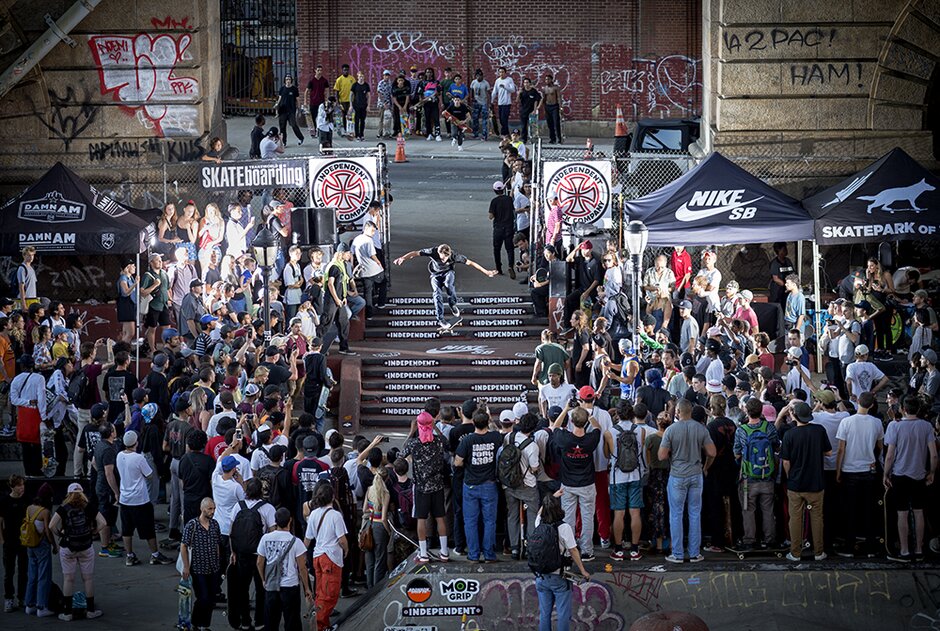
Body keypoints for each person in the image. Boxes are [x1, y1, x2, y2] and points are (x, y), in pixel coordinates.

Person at [658, 398, 716, 563]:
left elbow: (661, 455)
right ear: (690, 411)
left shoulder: (671, 430)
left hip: (677, 475)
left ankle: (677, 553)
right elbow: (712, 452)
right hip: (696, 474)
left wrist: (672, 455)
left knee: (676, 515)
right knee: (694, 513)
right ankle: (694, 553)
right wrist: (705, 467)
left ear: (677, 412)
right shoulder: (701, 429)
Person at [883, 395, 938, 561]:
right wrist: (932, 472)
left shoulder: (894, 426)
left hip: (900, 475)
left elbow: (890, 455)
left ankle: (905, 550)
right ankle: (919, 549)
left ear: (903, 409)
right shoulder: (927, 426)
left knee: (902, 514)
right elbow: (934, 455)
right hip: (919, 475)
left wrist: (885, 473)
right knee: (919, 512)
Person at [394, 244, 498, 329]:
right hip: (435, 274)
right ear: (438, 253)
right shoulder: (432, 251)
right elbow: (415, 253)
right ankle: (441, 319)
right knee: (437, 294)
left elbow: (471, 263)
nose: (443, 260)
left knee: (448, 284)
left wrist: (486, 272)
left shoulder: (455, 256)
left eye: (445, 258)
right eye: (442, 258)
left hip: (448, 272)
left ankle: (452, 305)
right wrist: (403, 258)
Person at [548, 405, 603, 562]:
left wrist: (565, 409)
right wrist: (589, 414)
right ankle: (587, 551)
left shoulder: (564, 438)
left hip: (568, 484)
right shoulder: (591, 439)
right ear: (585, 422)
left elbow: (555, 426)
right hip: (587, 484)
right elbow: (598, 427)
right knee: (587, 518)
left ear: (571, 421)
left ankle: (567, 550)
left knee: (568, 519)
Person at [780, 401, 831, 561]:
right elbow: (828, 452)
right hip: (816, 483)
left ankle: (795, 553)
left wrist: (790, 476)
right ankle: (819, 552)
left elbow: (786, 462)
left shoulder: (790, 434)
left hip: (796, 484)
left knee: (795, 518)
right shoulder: (819, 430)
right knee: (817, 518)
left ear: (794, 416)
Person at [835, 391, 884, 558]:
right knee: (869, 510)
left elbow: (841, 449)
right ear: (871, 405)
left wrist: (838, 471)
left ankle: (849, 545)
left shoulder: (846, 422)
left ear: (858, 403)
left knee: (850, 509)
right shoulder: (877, 423)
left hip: (849, 470)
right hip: (868, 471)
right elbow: (880, 446)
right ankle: (870, 546)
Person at [532, 494, 590, 631]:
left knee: (544, 614)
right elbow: (574, 551)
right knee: (563, 614)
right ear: (559, 509)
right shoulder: (564, 528)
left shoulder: (539, 523)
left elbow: (540, 513)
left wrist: (550, 497)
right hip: (559, 577)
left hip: (541, 576)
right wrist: (583, 570)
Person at [47, 482, 103, 621]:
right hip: (86, 546)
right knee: (88, 579)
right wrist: (94, 532)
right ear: (82, 493)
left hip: (68, 547)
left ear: (69, 493)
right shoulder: (88, 507)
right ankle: (90, 611)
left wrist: (60, 534)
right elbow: (103, 522)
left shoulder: (64, 508)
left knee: (68, 579)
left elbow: (51, 525)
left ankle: (67, 613)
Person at [117, 431, 172, 566]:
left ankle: (129, 555)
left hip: (125, 498)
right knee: (148, 529)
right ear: (136, 442)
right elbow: (149, 475)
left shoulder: (119, 456)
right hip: (140, 499)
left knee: (127, 529)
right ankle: (155, 554)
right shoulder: (139, 458)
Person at [454, 410, 503, 563]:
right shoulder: (495, 437)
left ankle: (473, 555)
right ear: (488, 422)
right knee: (490, 521)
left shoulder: (467, 440)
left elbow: (458, 462)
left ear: (473, 423)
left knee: (470, 521)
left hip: (470, 486)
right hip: (490, 485)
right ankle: (489, 554)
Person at [401, 412, 449, 563]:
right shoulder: (439, 441)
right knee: (440, 517)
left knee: (421, 519)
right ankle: (444, 551)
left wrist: (411, 431)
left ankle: (423, 553)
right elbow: (447, 443)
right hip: (438, 485)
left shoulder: (414, 444)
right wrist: (435, 427)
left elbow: (402, 453)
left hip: (420, 487)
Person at [733, 397, 779, 551]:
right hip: (767, 476)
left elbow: (737, 454)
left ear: (747, 411)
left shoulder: (741, 430)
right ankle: (770, 540)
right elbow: (775, 447)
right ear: (761, 411)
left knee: (748, 510)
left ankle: (749, 540)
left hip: (747, 479)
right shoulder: (769, 428)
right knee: (768, 509)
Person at [260, 506, 312, 631]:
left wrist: (263, 579)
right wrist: (307, 588)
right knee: (292, 620)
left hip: (271, 585)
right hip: (290, 586)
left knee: (271, 621)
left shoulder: (265, 538)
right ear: (290, 520)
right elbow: (302, 568)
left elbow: (259, 562)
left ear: (275, 521)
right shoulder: (296, 542)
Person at [608, 402, 647, 561]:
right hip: (636, 475)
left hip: (617, 477)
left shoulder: (609, 432)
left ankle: (618, 550)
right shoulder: (641, 431)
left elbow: (607, 455)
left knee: (619, 513)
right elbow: (640, 451)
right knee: (635, 512)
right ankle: (634, 549)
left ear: (617, 413)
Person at [303, 486, 344, 630]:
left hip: (318, 556)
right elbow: (342, 539)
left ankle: (320, 620)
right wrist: (347, 550)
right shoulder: (335, 515)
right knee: (330, 595)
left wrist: (301, 557)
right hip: (331, 558)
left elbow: (307, 539)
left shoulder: (313, 514)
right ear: (332, 497)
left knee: (321, 592)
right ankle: (320, 625)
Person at [502, 412, 541, 559]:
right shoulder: (532, 446)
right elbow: (534, 468)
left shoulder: (508, 437)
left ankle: (514, 548)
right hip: (527, 485)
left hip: (509, 484)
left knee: (512, 515)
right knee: (532, 515)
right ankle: (530, 547)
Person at [180, 497, 222, 631]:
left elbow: (217, 544)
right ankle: (196, 623)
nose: (213, 511)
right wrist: (186, 567)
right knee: (203, 597)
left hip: (213, 568)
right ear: (202, 509)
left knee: (210, 598)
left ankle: (204, 625)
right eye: (210, 509)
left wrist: (218, 560)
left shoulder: (215, 524)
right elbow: (183, 546)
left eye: (214, 508)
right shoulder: (192, 525)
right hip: (198, 569)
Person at [22, 483, 55, 617]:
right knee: (43, 576)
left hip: (30, 544)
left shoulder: (29, 508)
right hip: (42, 545)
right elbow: (48, 530)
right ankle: (42, 606)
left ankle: (29, 604)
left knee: (32, 575)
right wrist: (54, 545)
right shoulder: (45, 511)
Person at [321, 243, 356, 356]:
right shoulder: (334, 266)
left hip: (340, 300)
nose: (349, 255)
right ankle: (319, 348)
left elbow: (344, 283)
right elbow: (331, 285)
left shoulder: (343, 265)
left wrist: (344, 297)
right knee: (326, 323)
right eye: (348, 253)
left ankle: (344, 347)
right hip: (332, 300)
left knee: (344, 323)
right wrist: (336, 299)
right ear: (342, 253)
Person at [1, 475, 27, 613]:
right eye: (19, 485)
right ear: (12, 487)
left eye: (23, 485)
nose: (22, 487)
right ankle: (9, 599)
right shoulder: (5, 501)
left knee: (24, 570)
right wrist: (2, 539)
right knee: (9, 572)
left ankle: (22, 597)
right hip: (9, 541)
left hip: (23, 541)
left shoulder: (26, 500)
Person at [351, 222, 386, 319]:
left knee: (368, 292)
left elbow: (351, 253)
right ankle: (381, 303)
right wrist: (379, 263)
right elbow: (372, 255)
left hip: (364, 271)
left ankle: (369, 315)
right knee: (383, 283)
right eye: (372, 231)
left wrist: (352, 265)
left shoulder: (357, 239)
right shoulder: (369, 240)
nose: (373, 233)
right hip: (374, 269)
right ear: (366, 229)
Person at [141, 254, 170, 354]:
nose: (160, 262)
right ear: (151, 262)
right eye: (157, 260)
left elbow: (167, 288)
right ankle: (152, 349)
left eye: (160, 260)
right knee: (152, 328)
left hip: (164, 304)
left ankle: (167, 347)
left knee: (167, 327)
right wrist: (155, 285)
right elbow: (142, 292)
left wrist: (170, 299)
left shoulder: (164, 274)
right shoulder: (148, 275)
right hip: (153, 305)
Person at [489, 181, 517, 278]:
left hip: (498, 228)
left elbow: (491, 216)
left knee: (497, 249)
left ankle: (498, 268)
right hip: (509, 227)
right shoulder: (509, 199)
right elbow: (514, 210)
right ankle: (510, 265)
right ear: (503, 189)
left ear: (494, 191)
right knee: (510, 249)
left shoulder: (494, 201)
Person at [275, 74, 304, 145]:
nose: (288, 81)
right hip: (282, 110)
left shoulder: (294, 89)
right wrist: (277, 107)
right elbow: (279, 99)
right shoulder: (282, 89)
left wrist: (299, 109)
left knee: (293, 125)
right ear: (284, 81)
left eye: (289, 79)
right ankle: (284, 141)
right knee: (282, 127)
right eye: (286, 79)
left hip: (291, 110)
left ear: (291, 81)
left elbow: (298, 100)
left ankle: (300, 138)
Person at [303, 65, 329, 137]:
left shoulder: (324, 81)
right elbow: (306, 91)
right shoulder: (312, 81)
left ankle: (319, 130)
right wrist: (305, 102)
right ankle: (314, 130)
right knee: (313, 117)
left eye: (321, 70)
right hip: (313, 102)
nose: (319, 72)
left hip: (321, 102)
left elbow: (327, 91)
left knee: (321, 117)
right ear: (315, 71)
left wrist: (327, 101)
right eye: (318, 70)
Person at [491, 67, 516, 136]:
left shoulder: (509, 80)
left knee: (504, 118)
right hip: (500, 103)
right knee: (501, 119)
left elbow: (513, 90)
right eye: (500, 72)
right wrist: (492, 101)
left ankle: (504, 133)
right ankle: (507, 133)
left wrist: (505, 87)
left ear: (505, 73)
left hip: (507, 103)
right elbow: (494, 91)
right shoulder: (497, 81)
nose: (501, 74)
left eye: (502, 72)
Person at [768, 242, 795, 307]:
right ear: (778, 251)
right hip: (777, 292)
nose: (786, 251)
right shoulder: (774, 263)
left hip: (787, 290)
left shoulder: (788, 261)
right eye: (784, 249)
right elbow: (775, 278)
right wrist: (785, 285)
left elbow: (792, 273)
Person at [540, 73, 562, 144]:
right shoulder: (544, 89)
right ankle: (552, 139)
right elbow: (543, 98)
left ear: (551, 80)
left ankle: (559, 139)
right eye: (546, 79)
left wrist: (560, 107)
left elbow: (558, 97)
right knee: (550, 124)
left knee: (556, 123)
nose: (546, 81)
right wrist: (542, 108)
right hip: (547, 106)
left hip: (554, 106)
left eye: (548, 79)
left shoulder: (555, 88)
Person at [518, 76, 541, 143]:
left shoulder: (533, 91)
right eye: (524, 82)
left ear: (529, 83)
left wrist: (535, 110)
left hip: (531, 111)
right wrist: (519, 93)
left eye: (527, 82)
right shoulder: (522, 91)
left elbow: (536, 100)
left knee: (533, 126)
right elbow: (517, 100)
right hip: (523, 111)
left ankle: (533, 139)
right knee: (523, 125)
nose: (526, 84)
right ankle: (524, 139)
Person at [469, 69, 490, 140]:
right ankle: (475, 134)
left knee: (484, 119)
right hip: (476, 102)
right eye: (477, 76)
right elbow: (471, 91)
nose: (479, 77)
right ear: (476, 76)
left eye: (480, 76)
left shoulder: (486, 83)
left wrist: (489, 103)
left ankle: (484, 135)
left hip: (483, 102)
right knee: (475, 119)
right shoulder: (473, 82)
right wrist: (472, 99)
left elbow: (488, 93)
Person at [333, 64, 355, 131]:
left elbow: (355, 90)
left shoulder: (352, 79)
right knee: (344, 115)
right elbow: (337, 91)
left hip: (350, 101)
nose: (346, 71)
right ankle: (345, 129)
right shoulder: (339, 80)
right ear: (342, 70)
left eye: (347, 70)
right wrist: (337, 101)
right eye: (344, 70)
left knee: (350, 115)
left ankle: (350, 129)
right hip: (342, 101)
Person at [350, 72, 371, 141]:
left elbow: (368, 96)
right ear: (357, 77)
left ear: (364, 77)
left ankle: (362, 134)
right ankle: (357, 135)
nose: (361, 78)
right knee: (356, 120)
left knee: (362, 121)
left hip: (363, 105)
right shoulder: (355, 85)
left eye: (362, 76)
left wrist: (368, 105)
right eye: (360, 76)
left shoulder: (366, 85)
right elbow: (351, 95)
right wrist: (351, 105)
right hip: (356, 105)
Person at [16, 246, 38, 310]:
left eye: (32, 255)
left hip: (32, 299)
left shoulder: (31, 268)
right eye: (29, 255)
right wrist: (23, 304)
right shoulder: (22, 268)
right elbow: (21, 287)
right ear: (24, 256)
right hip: (26, 301)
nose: (31, 257)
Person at [376, 69, 394, 138]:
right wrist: (384, 103)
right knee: (381, 118)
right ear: (383, 76)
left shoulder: (390, 84)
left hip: (388, 103)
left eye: (388, 75)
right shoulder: (381, 83)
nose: (387, 77)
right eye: (385, 75)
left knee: (388, 119)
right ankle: (379, 133)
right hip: (382, 104)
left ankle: (387, 133)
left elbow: (391, 94)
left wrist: (391, 103)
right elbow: (379, 94)